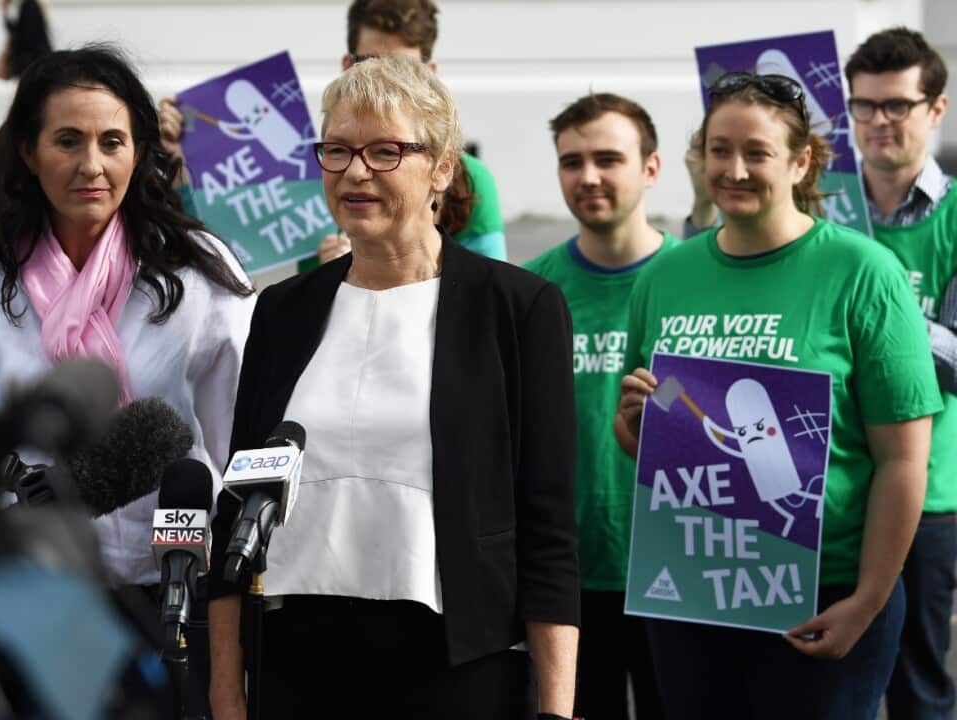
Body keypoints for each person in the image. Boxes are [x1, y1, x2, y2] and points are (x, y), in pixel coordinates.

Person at [206, 54, 578, 720]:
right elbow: (237, 506)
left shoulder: (517, 308)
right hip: (299, 654)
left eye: (384, 152)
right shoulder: (283, 309)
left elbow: (547, 524)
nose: (354, 172)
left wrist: (554, 706)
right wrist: (226, 687)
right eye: (338, 150)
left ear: (440, 168)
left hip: (456, 662)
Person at [0, 43, 254, 716]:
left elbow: (232, 449)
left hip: (172, 598)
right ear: (27, 151)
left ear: (140, 149)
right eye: (67, 141)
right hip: (22, 593)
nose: (92, 166)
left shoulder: (203, 275)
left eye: (112, 141)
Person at [616, 71, 942, 719]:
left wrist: (869, 601)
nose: (734, 169)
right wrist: (634, 424)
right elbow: (644, 440)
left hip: (826, 589)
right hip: (692, 585)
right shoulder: (666, 275)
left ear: (800, 162)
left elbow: (905, 459)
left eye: (757, 153)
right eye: (718, 150)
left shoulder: (859, 272)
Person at [157, 0, 506, 271]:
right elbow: (220, 242)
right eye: (369, 62)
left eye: (402, 68)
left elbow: (487, 292)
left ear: (440, 171)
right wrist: (185, 163)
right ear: (346, 64)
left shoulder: (469, 178)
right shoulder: (302, 162)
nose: (382, 80)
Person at [525, 92, 672, 720]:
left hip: (681, 569)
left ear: (651, 168)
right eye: (571, 161)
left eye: (608, 159)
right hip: (569, 579)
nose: (588, 177)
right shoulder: (530, 291)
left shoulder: (696, 280)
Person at [843, 27, 957, 720]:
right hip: (824, 484)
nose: (878, 122)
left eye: (897, 106)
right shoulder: (820, 213)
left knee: (917, 682)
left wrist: (867, 321)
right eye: (864, 106)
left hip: (928, 490)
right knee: (827, 677)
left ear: (935, 109)